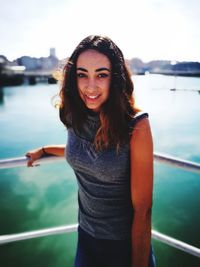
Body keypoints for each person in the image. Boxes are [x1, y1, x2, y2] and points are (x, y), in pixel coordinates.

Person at [26, 35, 156, 267]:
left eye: (102, 75)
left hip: (123, 246)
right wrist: (44, 150)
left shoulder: (136, 126)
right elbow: (84, 152)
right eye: (82, 74)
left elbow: (143, 211)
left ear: (116, 79)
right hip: (85, 237)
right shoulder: (75, 114)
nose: (90, 86)